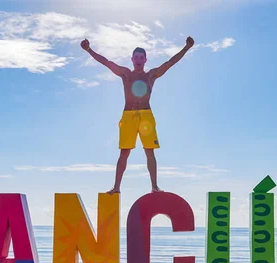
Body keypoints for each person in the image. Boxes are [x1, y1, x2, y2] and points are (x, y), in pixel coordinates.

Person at [81, 36, 195, 193]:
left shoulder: (151, 75)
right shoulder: (126, 74)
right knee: (124, 152)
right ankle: (116, 187)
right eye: (136, 57)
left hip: (146, 115)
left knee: (149, 151)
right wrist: (89, 50)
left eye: (142, 57)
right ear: (132, 59)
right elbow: (106, 62)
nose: (139, 60)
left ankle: (154, 187)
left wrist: (186, 48)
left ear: (145, 60)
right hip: (128, 115)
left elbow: (170, 63)